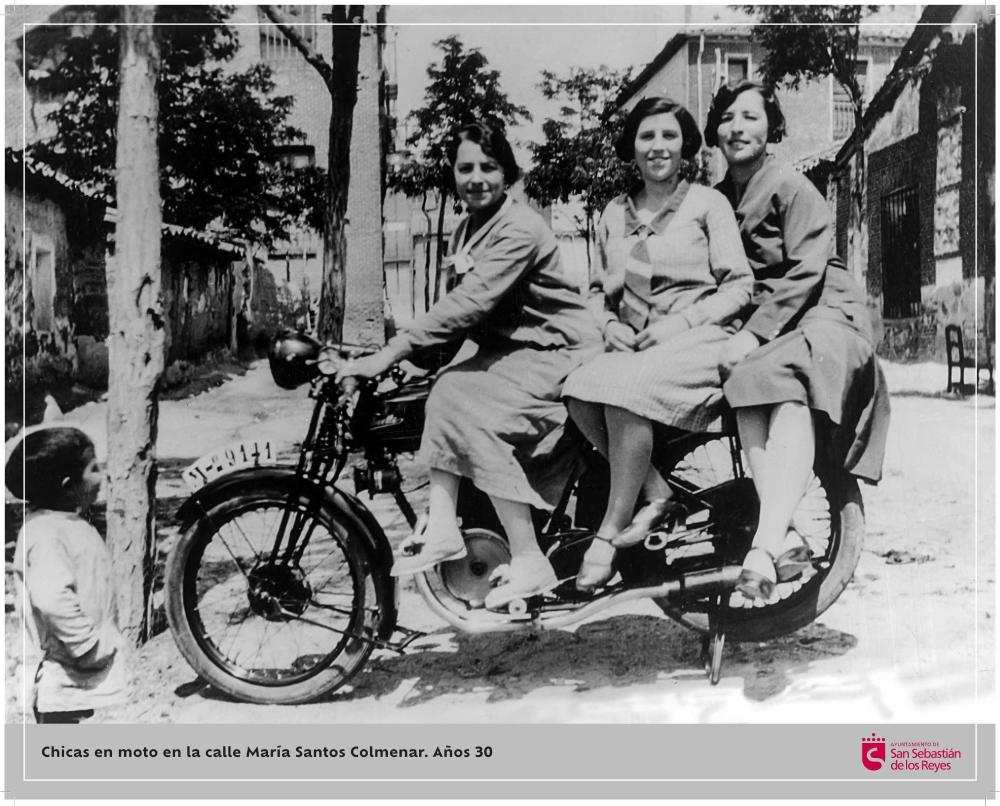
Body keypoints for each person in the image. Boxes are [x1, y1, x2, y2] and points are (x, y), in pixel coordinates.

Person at [338, 120, 601, 611]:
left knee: (465, 403)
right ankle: (442, 526)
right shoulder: (466, 230)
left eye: (489, 166)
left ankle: (528, 555)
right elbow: (459, 318)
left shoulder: (520, 227)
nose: (476, 177)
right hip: (514, 354)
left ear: (508, 173)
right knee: (445, 388)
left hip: (559, 352)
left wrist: (390, 352)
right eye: (465, 168)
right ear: (452, 174)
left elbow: (470, 304)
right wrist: (420, 364)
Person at [706, 80, 891, 600]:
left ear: (772, 129)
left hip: (822, 309)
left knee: (786, 379)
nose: (737, 128)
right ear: (713, 132)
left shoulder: (790, 185)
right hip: (772, 318)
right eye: (726, 118)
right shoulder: (717, 201)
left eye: (750, 118)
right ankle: (780, 535)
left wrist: (751, 334)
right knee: (745, 382)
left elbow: (806, 271)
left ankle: (762, 546)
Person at [561, 96, 753, 592]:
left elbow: (739, 286)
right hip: (637, 348)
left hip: (700, 339)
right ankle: (657, 493)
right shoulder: (611, 214)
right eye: (647, 136)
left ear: (686, 144)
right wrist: (609, 327)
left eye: (669, 135)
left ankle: (607, 534)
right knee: (578, 387)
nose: (658, 146)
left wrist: (680, 323)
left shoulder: (709, 204)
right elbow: (601, 296)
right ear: (632, 147)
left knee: (626, 388)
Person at [7, 427, 126, 723]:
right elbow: (52, 600)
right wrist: (88, 646)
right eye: (93, 468)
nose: (103, 475)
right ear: (67, 485)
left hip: (75, 666)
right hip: (64, 669)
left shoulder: (66, 524)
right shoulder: (46, 534)